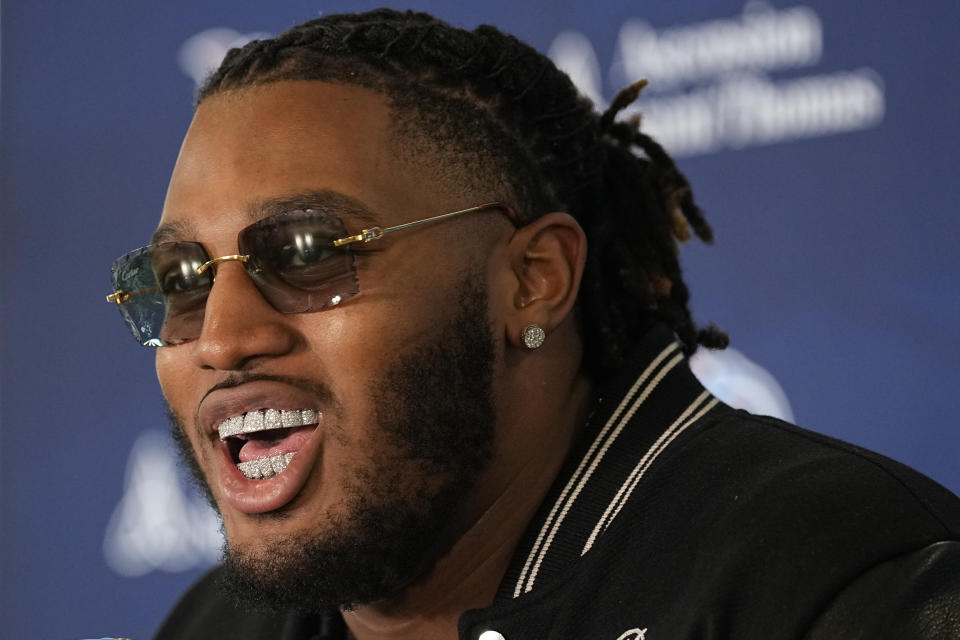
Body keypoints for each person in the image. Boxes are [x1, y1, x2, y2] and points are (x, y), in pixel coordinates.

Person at [104, 9, 960, 640]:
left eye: (306, 250)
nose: (220, 338)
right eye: (178, 279)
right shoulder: (216, 627)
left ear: (532, 280)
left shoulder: (835, 585)